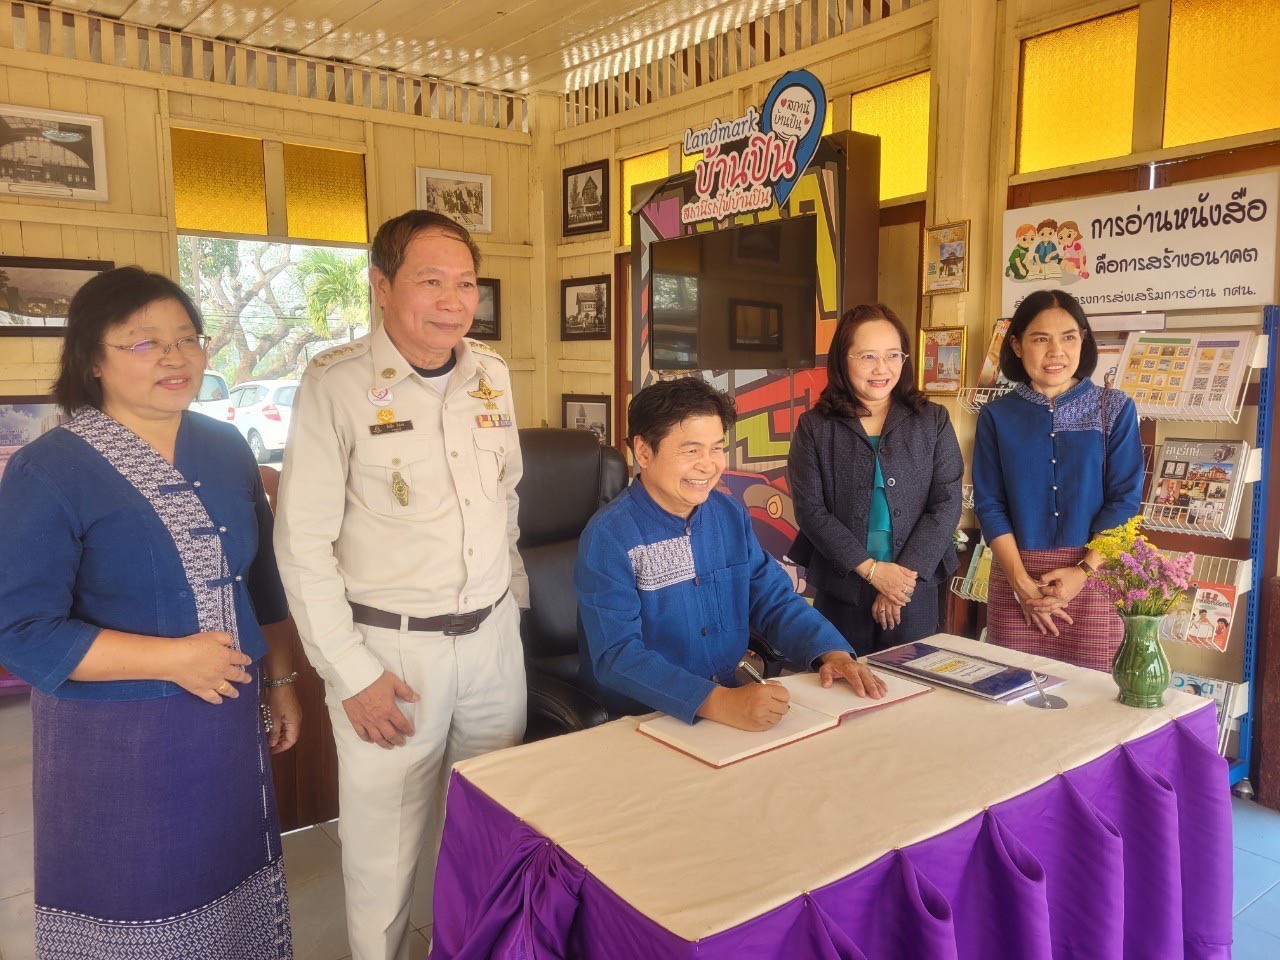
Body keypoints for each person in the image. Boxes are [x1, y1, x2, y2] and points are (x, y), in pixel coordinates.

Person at [0, 267, 299, 957]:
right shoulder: (49, 469)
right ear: (92, 360)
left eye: (187, 338)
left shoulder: (225, 447)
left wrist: (281, 680)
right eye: (144, 342)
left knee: (231, 881)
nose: (174, 357)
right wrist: (173, 659)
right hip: (116, 743)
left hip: (225, 725)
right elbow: (21, 630)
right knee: (138, 897)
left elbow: (261, 581)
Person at [274, 210, 527, 960]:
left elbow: (506, 500)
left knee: (490, 829)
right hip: (391, 654)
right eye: (430, 281)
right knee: (383, 854)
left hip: (492, 644)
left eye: (466, 283)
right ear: (382, 286)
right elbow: (301, 543)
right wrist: (351, 674)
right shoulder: (337, 384)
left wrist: (513, 610)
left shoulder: (492, 376)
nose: (453, 301)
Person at [575, 377, 886, 731]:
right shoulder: (610, 536)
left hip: (728, 703)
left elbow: (772, 599)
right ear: (644, 452)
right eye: (691, 451)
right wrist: (719, 702)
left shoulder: (728, 514)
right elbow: (617, 655)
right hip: (640, 718)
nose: (708, 465)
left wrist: (832, 653)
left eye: (716, 448)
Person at [972, 289, 1143, 670]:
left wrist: (1083, 572)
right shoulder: (996, 416)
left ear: (1083, 340)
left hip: (1094, 576)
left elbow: (1125, 501)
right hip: (1018, 580)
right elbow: (990, 504)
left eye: (1068, 337)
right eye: (1040, 339)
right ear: (1016, 345)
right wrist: (1022, 585)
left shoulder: (1115, 409)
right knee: (1012, 691)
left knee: (1093, 696)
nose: (1056, 352)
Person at [788, 304, 964, 656]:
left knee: (911, 680)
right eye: (868, 356)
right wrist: (872, 572)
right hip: (842, 585)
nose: (882, 368)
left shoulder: (932, 420)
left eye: (893, 355)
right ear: (843, 359)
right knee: (843, 676)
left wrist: (899, 582)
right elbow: (811, 511)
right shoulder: (815, 427)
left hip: (913, 587)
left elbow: (946, 504)